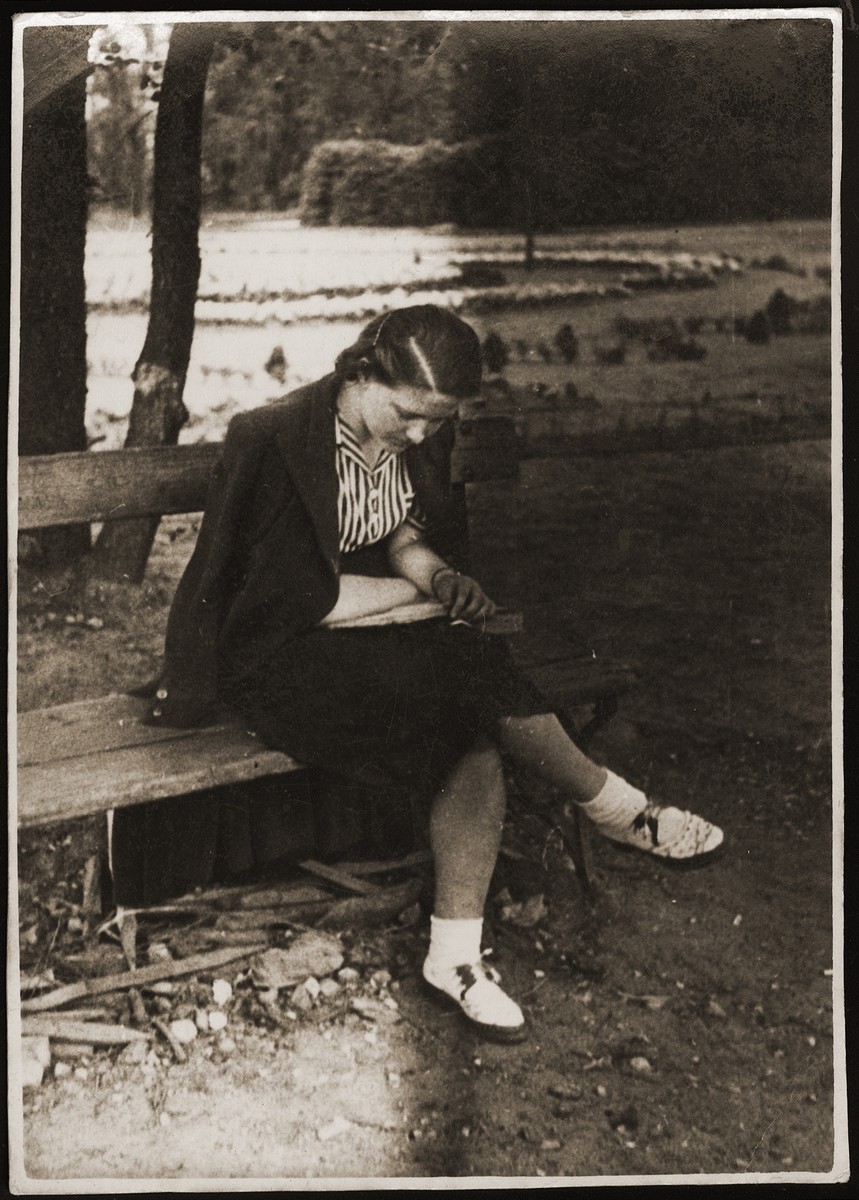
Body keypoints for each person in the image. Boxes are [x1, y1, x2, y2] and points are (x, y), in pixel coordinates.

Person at [117, 305, 723, 1044]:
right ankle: (619, 809)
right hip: (277, 658)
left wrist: (435, 576)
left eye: (435, 422)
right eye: (407, 414)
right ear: (360, 374)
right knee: (467, 673)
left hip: (369, 638)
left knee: (471, 726)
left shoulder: (412, 440)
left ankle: (454, 959)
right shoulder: (276, 439)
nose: (417, 435)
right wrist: (418, 600)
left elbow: (401, 537)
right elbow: (294, 601)